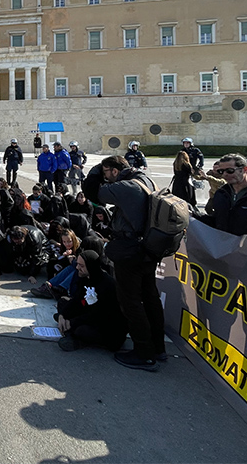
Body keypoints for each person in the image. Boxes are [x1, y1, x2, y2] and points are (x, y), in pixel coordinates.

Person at [82, 155, 163, 371]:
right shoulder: (145, 179)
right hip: (147, 247)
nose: (105, 176)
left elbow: (91, 192)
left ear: (114, 171)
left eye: (107, 172)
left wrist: (96, 170)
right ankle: (158, 347)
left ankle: (144, 353)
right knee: (150, 297)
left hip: (131, 251)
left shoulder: (126, 187)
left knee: (130, 301)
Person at [56, 250, 128, 352]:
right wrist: (62, 315)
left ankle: (77, 338)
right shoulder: (85, 276)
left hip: (106, 325)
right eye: (77, 264)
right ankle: (67, 328)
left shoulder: (107, 284)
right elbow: (78, 298)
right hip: (90, 312)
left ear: (90, 266)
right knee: (63, 303)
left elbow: (98, 315)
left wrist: (72, 322)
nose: (77, 268)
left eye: (81, 266)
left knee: (81, 330)